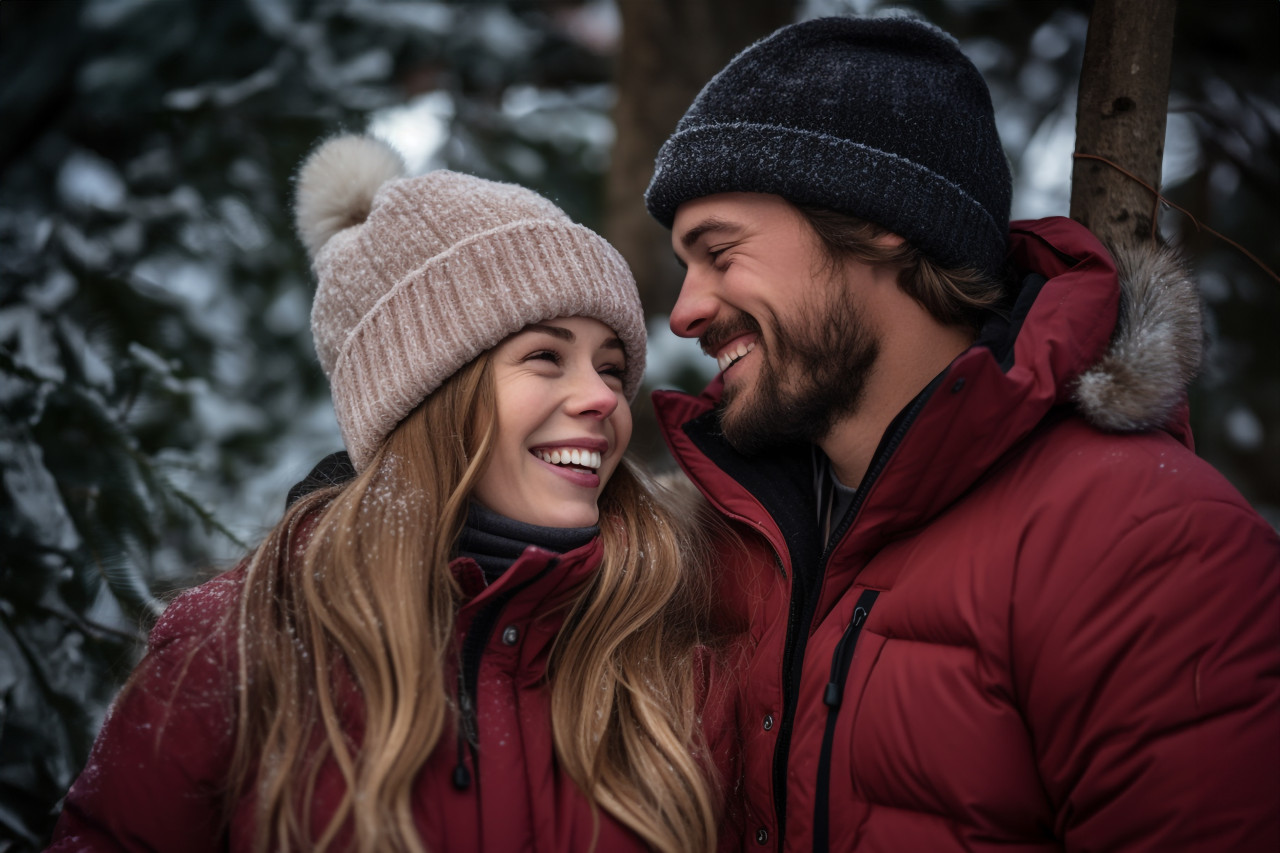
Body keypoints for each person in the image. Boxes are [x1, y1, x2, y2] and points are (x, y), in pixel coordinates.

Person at [641, 15, 1280, 853]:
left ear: (879, 222)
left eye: (720, 252)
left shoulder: (1145, 543)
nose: (684, 311)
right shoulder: (720, 544)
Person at [47, 134, 740, 852]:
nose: (602, 396)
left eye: (612, 365)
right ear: (426, 393)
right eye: (546, 356)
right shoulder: (243, 648)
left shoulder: (665, 650)